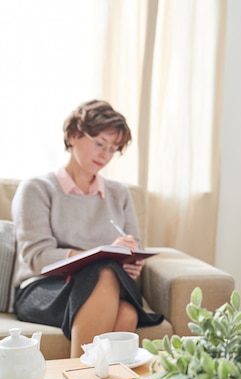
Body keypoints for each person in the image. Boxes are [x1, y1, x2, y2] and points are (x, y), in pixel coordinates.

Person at [12, 99, 163, 358]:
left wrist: (131, 262)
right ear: (73, 136)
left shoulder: (119, 194)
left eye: (113, 149)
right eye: (99, 143)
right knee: (104, 272)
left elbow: (134, 246)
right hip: (44, 288)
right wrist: (100, 254)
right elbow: (37, 257)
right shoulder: (37, 189)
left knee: (124, 307)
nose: (105, 155)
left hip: (108, 287)